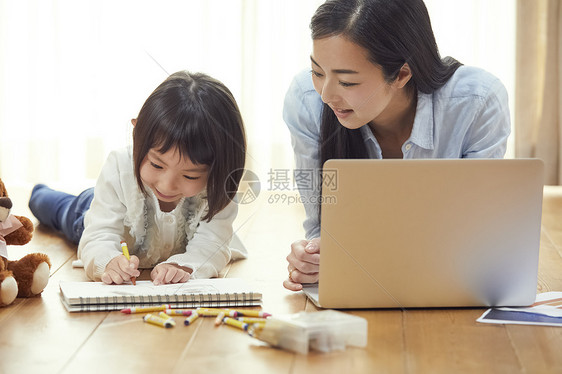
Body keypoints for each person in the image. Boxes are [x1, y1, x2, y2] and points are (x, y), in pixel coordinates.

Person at [282, 0, 511, 291]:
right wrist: (313, 257)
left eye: (347, 82)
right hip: (360, 283)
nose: (326, 95)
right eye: (317, 72)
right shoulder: (306, 99)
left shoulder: (478, 101)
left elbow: (481, 231)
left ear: (402, 74)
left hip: (452, 282)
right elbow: (322, 225)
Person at [29, 71, 247, 285]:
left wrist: (184, 266)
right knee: (58, 209)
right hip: (95, 210)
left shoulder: (220, 186)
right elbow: (99, 235)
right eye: (156, 164)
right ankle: (40, 193)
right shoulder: (119, 167)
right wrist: (109, 261)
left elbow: (213, 244)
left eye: (190, 175)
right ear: (137, 136)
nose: (167, 185)